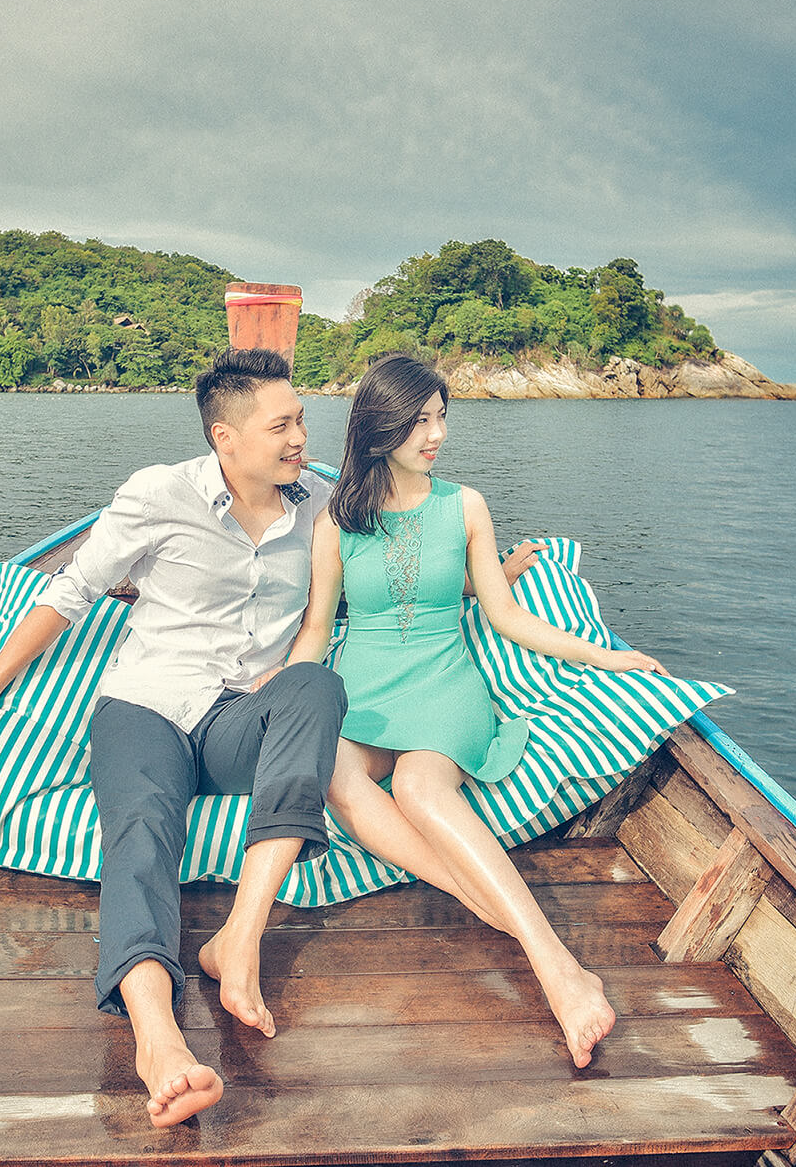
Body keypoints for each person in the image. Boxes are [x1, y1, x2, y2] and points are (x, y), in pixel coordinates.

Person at [0, 347, 346, 1129]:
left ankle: (238, 942)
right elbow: (70, 591)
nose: (300, 438)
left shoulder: (320, 504)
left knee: (317, 685)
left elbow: (387, 567)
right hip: (142, 707)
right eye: (281, 425)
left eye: (302, 421)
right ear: (225, 436)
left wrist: (499, 574)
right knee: (141, 835)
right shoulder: (159, 493)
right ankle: (158, 1039)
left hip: (237, 720)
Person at [284, 352, 668, 1069]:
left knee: (418, 786)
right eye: (420, 421)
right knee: (333, 771)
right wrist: (278, 691)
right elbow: (315, 627)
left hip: (444, 683)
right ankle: (499, 908)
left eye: (441, 418)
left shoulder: (465, 505)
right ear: (379, 428)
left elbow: (506, 616)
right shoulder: (337, 522)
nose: (437, 435)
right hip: (363, 687)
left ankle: (558, 967)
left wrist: (603, 655)